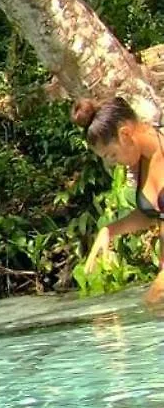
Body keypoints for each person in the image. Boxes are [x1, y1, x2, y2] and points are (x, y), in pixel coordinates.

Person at [76, 96, 164, 302]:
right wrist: (109, 230)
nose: (115, 164)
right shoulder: (144, 162)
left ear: (125, 134)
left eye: (112, 155)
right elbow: (151, 214)